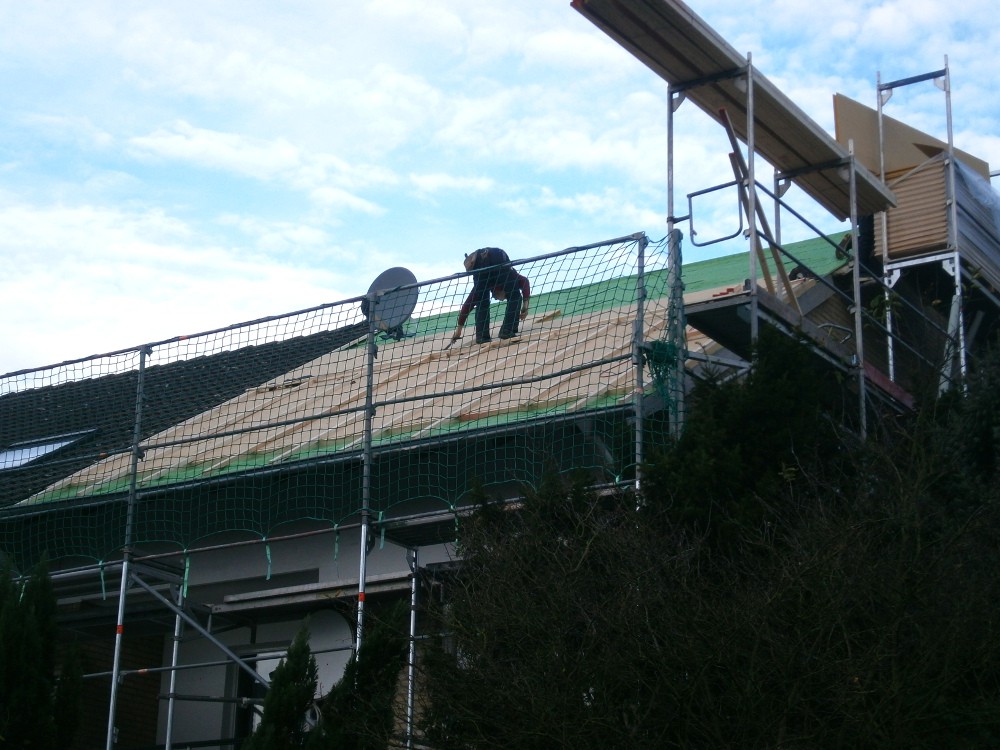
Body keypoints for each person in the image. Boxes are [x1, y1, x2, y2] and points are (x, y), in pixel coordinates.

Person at [450, 247, 529, 345]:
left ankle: (482, 337)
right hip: (496, 259)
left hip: (482, 263)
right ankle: (507, 331)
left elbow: (467, 306)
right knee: (515, 296)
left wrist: (459, 330)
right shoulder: (511, 278)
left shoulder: (486, 285)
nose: (498, 299)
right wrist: (525, 306)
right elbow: (525, 281)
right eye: (500, 297)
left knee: (482, 302)